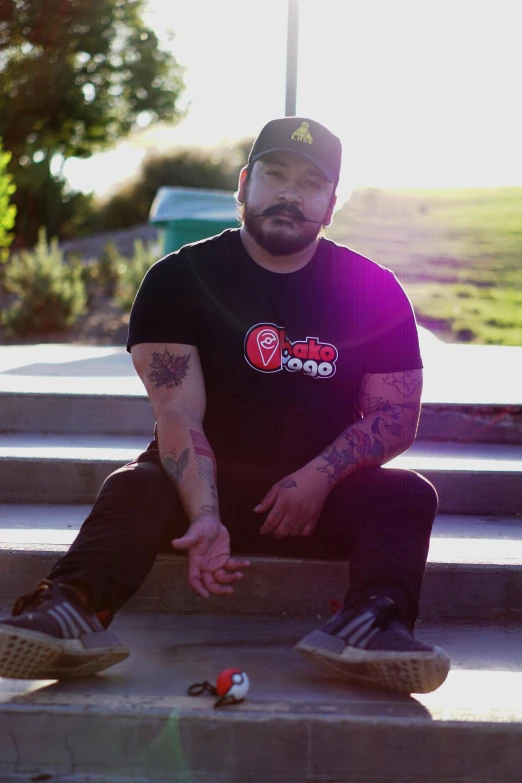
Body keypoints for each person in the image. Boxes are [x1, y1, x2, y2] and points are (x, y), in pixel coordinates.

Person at [0, 117, 450, 693]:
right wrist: (205, 516)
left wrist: (315, 478)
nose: (289, 193)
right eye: (275, 174)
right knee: (136, 484)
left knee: (406, 493)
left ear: (331, 204)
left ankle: (372, 623)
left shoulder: (373, 289)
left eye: (311, 183)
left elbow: (395, 417)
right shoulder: (181, 278)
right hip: (201, 496)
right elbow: (178, 415)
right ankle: (69, 609)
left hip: (321, 498)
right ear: (243, 185)